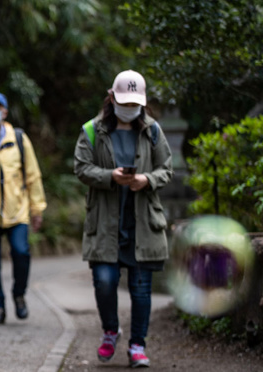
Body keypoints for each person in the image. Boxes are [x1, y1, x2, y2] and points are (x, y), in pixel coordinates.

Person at [73, 70, 173, 368]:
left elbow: (166, 169)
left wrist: (147, 179)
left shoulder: (153, 131)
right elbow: (81, 168)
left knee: (141, 289)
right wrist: (110, 177)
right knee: (105, 282)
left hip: (142, 223)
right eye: (124, 101)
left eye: (135, 103)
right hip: (105, 223)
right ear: (112, 97)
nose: (129, 107)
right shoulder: (92, 130)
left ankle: (138, 345)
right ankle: (110, 330)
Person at [0, 91, 47, 324]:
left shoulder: (18, 138)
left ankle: (19, 295)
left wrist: (37, 209)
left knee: (21, 252)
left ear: (5, 111)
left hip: (17, 212)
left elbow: (33, 175)